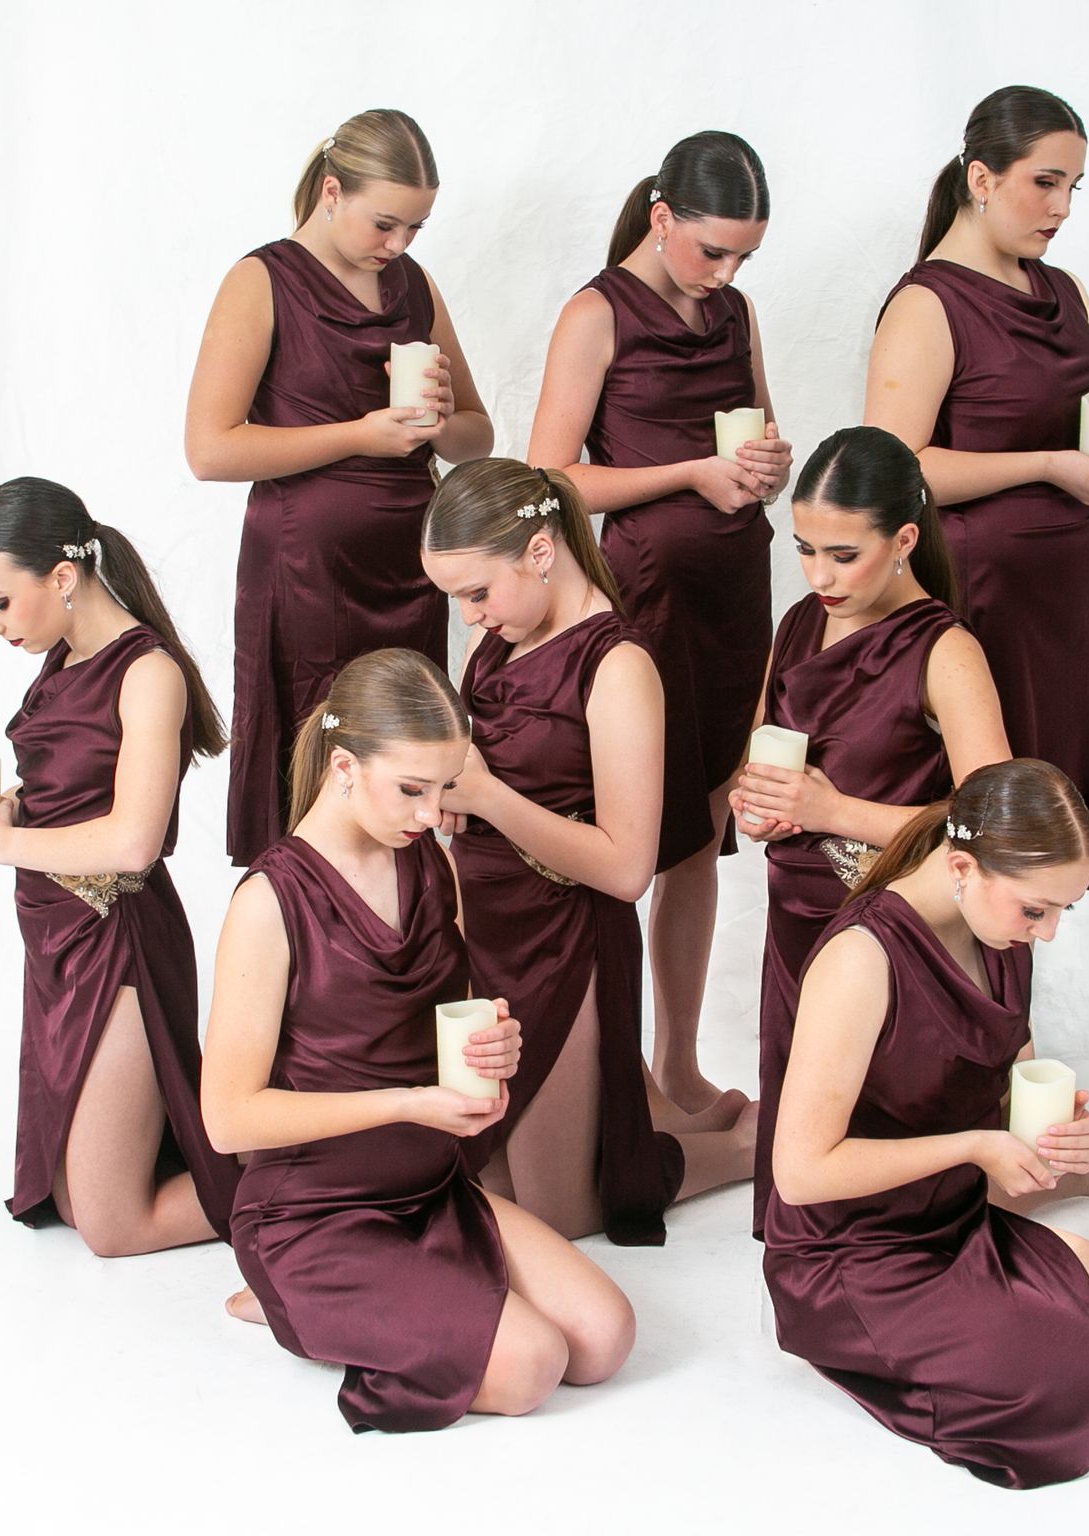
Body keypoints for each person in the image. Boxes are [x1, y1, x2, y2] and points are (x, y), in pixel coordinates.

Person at [202, 651, 635, 1430]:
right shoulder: (269, 901)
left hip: (430, 1188)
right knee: (532, 1367)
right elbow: (229, 1121)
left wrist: (491, 1050)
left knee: (604, 1340)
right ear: (344, 766)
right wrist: (407, 1103)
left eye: (445, 788)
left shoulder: (431, 865)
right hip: (315, 1213)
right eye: (412, 789)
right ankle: (288, 1297)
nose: (434, 815)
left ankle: (385, 1296)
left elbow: (444, 1025)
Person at [765, 760, 1089, 1488]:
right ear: (963, 867)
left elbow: (1007, 1089)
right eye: (1037, 910)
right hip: (854, 1258)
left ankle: (1011, 1308)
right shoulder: (861, 958)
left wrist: (1064, 1134)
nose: (1050, 933)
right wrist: (975, 1146)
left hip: (955, 1224)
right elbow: (800, 1174)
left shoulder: (1001, 940)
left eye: (1064, 910)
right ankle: (861, 1343)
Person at [420, 458, 756, 1243]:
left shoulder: (618, 665)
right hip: (484, 931)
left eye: (477, 592)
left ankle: (739, 1150)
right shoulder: (495, 645)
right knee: (485, 1180)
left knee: (557, 1214)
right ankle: (656, 1117)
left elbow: (627, 868)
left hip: (563, 941)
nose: (469, 616)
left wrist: (488, 798)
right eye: (456, 598)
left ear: (540, 551)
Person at [527, 130, 791, 1113]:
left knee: (701, 837)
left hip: (736, 596)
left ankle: (677, 1062)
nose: (725, 274)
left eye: (744, 258)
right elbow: (550, 479)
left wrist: (768, 466)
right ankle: (617, 1071)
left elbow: (763, 440)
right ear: (662, 216)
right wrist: (690, 473)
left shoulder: (736, 312)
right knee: (639, 834)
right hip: (651, 602)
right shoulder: (597, 313)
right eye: (712, 250)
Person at [0, 476, 239, 1253]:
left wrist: (3, 844)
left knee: (109, 1225)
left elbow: (133, 841)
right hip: (57, 940)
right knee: (70, 1197)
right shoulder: (66, 656)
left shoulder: (148, 673)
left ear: (63, 576)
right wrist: (2, 817)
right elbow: (70, 792)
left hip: (116, 938)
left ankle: (315, 1187)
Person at [186, 108, 493, 863]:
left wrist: (439, 421)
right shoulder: (262, 280)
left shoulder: (414, 285)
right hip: (306, 573)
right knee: (313, 757)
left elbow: (477, 437)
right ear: (332, 191)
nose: (400, 245)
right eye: (385, 223)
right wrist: (360, 435)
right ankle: (300, 918)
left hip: (407, 571)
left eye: (416, 228)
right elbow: (209, 449)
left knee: (404, 763)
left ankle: (398, 924)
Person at [730, 425, 1014, 1236]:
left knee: (888, 1202)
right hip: (796, 920)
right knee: (806, 1174)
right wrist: (754, 804)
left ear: (906, 540)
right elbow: (758, 758)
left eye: (843, 555)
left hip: (894, 935)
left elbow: (995, 821)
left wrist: (834, 813)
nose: (819, 575)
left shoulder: (945, 649)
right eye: (804, 549)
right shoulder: (799, 624)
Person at [865, 86, 1089, 887]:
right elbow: (895, 468)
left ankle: (1020, 971)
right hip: (986, 602)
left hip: (1069, 606)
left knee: (1048, 839)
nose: (1062, 208)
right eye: (1045, 182)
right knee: (987, 828)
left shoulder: (1065, 291)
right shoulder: (927, 304)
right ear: (982, 178)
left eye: (1073, 187)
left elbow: (1066, 423)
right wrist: (1047, 465)